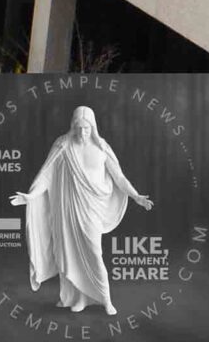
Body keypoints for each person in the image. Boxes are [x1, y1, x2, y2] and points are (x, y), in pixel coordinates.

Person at [13, 104, 155, 315]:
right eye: (78, 128)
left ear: (93, 128)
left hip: (91, 210)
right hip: (67, 210)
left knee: (94, 253)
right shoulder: (63, 146)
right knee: (69, 253)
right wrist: (31, 196)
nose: (82, 132)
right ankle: (78, 298)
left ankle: (105, 299)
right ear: (73, 126)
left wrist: (135, 196)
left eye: (86, 128)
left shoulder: (102, 148)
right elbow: (46, 174)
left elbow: (119, 177)